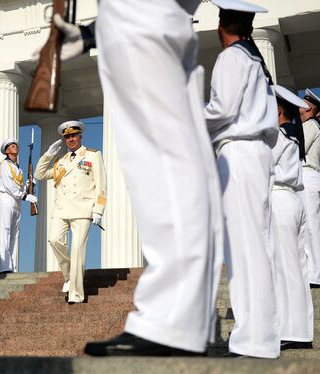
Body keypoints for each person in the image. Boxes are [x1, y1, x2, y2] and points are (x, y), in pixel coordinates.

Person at [47, 0, 224, 356]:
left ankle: (176, 321)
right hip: (131, 31)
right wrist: (100, 29)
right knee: (155, 178)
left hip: (145, 30)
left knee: (167, 171)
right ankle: (175, 318)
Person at [204, 0, 281, 358]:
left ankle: (252, 338)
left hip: (238, 152)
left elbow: (222, 109)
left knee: (244, 248)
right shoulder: (256, 60)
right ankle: (262, 335)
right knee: (257, 247)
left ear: (223, 25)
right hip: (257, 153)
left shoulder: (232, 58)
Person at [35, 121, 107, 304]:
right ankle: (69, 276)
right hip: (61, 209)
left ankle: (76, 294)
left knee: (77, 251)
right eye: (67, 137)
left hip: (83, 210)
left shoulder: (92, 155)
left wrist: (98, 210)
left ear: (80, 136)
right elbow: (39, 175)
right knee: (54, 240)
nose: (71, 139)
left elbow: (102, 186)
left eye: (73, 136)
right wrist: (48, 154)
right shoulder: (61, 161)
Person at [270, 85, 314, 351]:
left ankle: (292, 330)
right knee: (296, 267)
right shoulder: (292, 134)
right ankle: (299, 330)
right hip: (293, 200)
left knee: (285, 268)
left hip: (279, 199)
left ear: (276, 111)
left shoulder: (276, 135)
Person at [0, 138, 37, 274]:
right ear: (7, 151)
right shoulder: (5, 165)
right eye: (12, 146)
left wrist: (29, 185)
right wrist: (24, 196)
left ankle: (12, 266)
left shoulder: (17, 167)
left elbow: (18, 187)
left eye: (16, 145)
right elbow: (9, 185)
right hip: (8, 199)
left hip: (17, 202)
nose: (16, 147)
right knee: (5, 232)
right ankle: (4, 266)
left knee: (15, 235)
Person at [299, 88, 320, 286]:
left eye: (304, 104)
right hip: (309, 176)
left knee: (312, 227)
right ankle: (314, 271)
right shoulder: (312, 124)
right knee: (310, 225)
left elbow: (298, 149)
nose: (300, 106)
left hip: (307, 174)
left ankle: (316, 274)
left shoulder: (311, 125)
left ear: (311, 107)